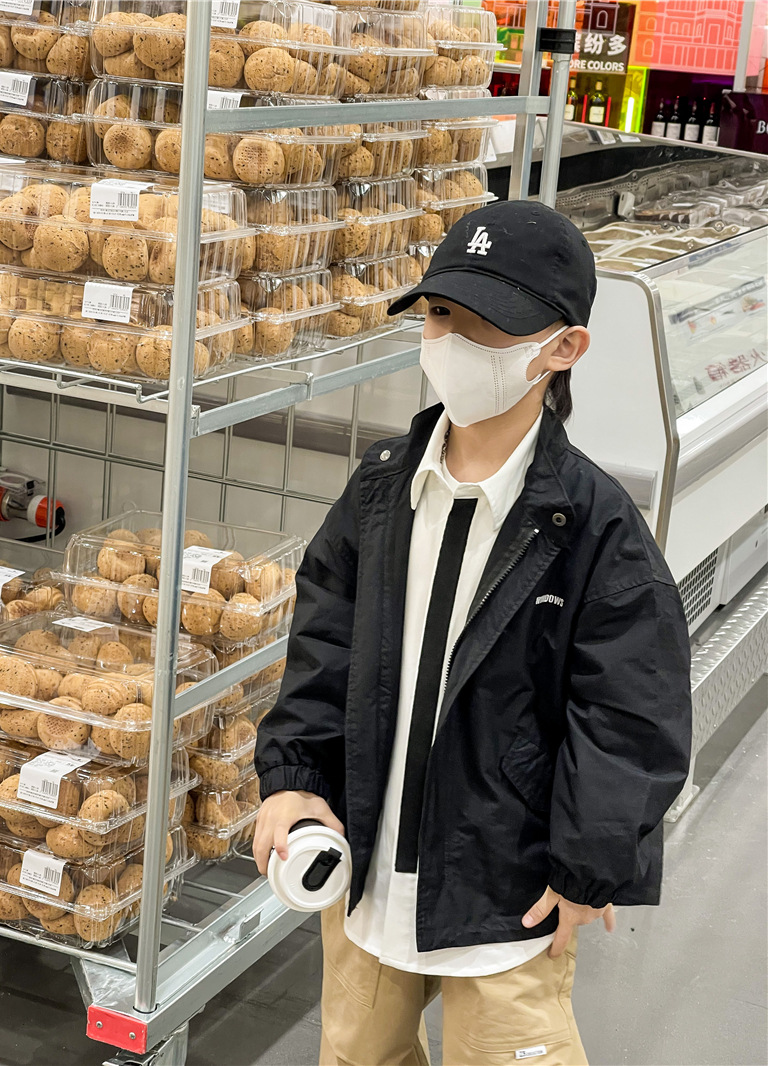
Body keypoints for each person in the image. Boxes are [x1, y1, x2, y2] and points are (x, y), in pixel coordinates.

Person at [253, 199, 692, 1066]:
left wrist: (589, 864)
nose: (452, 340)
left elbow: (629, 714)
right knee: (357, 1053)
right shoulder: (381, 489)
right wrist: (294, 778)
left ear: (563, 348)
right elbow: (326, 644)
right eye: (440, 314)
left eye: (489, 324)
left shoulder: (595, 527)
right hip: (367, 874)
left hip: (506, 896)